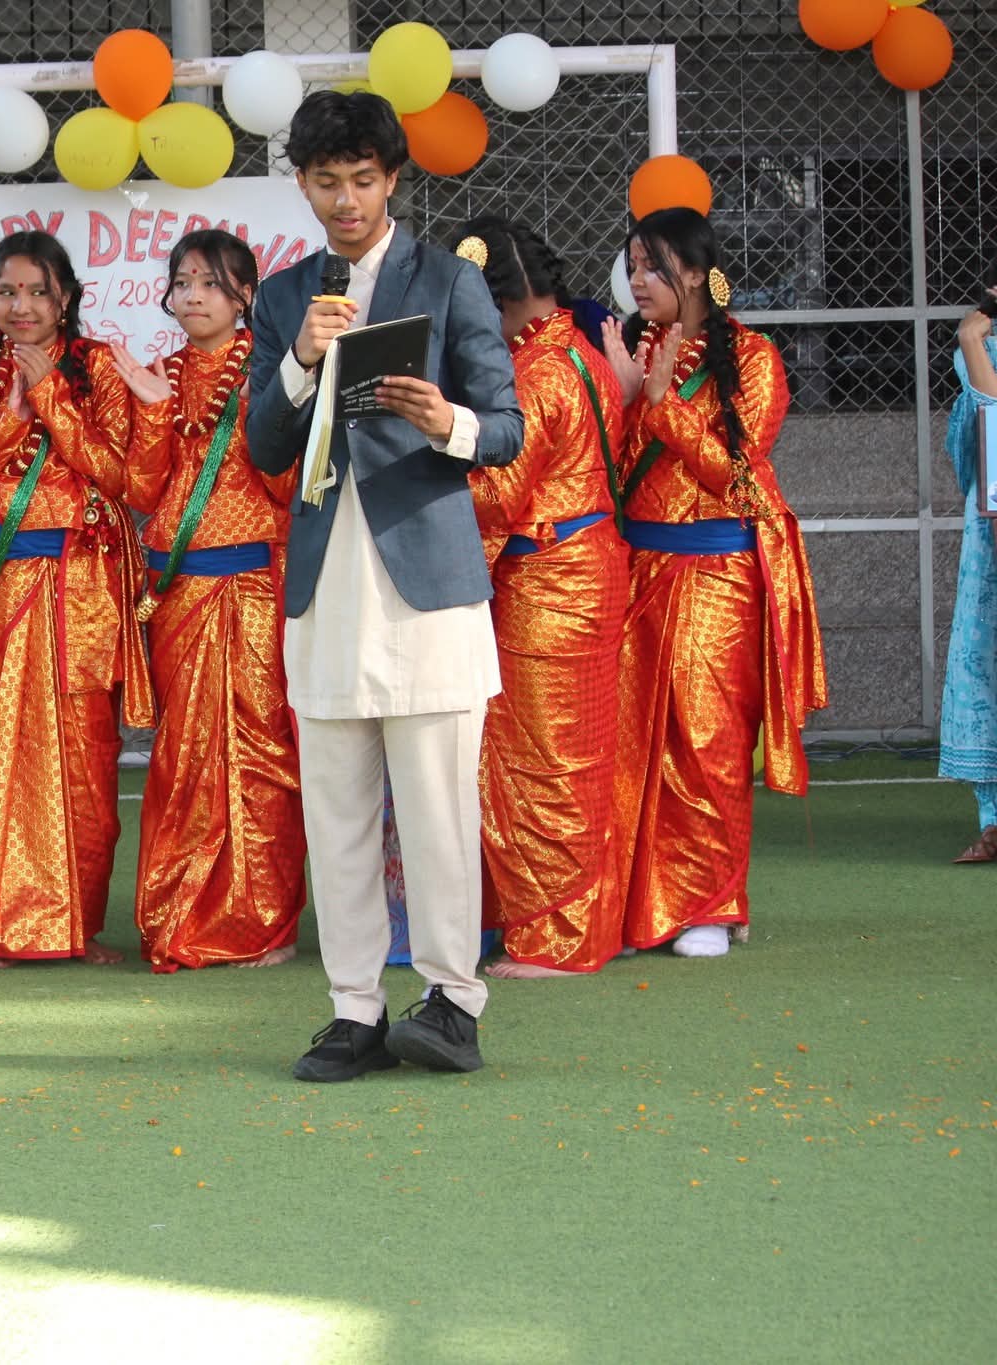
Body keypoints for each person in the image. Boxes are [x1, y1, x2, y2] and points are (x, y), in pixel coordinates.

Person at [243, 91, 522, 1080]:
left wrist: (445, 419)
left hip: (427, 582)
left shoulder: (447, 281)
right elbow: (262, 446)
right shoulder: (285, 296)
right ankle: (353, 1008)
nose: (346, 200)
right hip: (326, 588)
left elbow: (506, 428)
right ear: (302, 185)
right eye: (326, 182)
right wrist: (300, 359)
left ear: (393, 179)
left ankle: (451, 1000)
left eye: (363, 180)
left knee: (439, 807)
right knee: (336, 810)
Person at [600, 207, 826, 955]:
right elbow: (600, 469)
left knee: (705, 740)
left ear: (696, 273)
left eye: (653, 267)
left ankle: (708, 905)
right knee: (627, 741)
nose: (638, 281)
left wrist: (662, 404)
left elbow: (737, 476)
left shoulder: (754, 358)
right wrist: (623, 397)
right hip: (634, 567)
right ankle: (628, 907)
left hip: (717, 572)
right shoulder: (631, 349)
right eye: (633, 266)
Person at [0, 231, 154, 967]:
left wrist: (51, 397)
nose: (20, 306)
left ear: (65, 299)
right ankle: (0, 924)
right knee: (3, 753)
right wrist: (9, 425)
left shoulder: (100, 370)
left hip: (82, 586)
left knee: (85, 757)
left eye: (36, 292)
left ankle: (75, 927)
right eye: (6, 292)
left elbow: (121, 477)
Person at [110, 229, 305, 971]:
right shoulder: (157, 373)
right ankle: (180, 916)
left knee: (257, 751)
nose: (193, 296)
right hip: (177, 591)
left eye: (211, 284)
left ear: (245, 295)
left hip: (251, 587)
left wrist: (266, 415)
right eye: (183, 282)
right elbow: (142, 490)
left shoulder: (272, 372)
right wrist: (154, 411)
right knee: (185, 754)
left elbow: (291, 489)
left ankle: (261, 923)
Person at [451, 216, 632, 978]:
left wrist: (426, 456)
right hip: (588, 567)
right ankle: (580, 923)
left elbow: (498, 496)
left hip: (547, 583)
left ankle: (558, 937)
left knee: (542, 761)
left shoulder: (533, 376)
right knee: (577, 758)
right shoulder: (581, 353)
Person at [940, 278, 997, 861]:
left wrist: (972, 342)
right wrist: (974, 343)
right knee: (986, 657)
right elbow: (988, 428)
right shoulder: (981, 345)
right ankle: (994, 819)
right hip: (992, 522)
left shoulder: (978, 345)